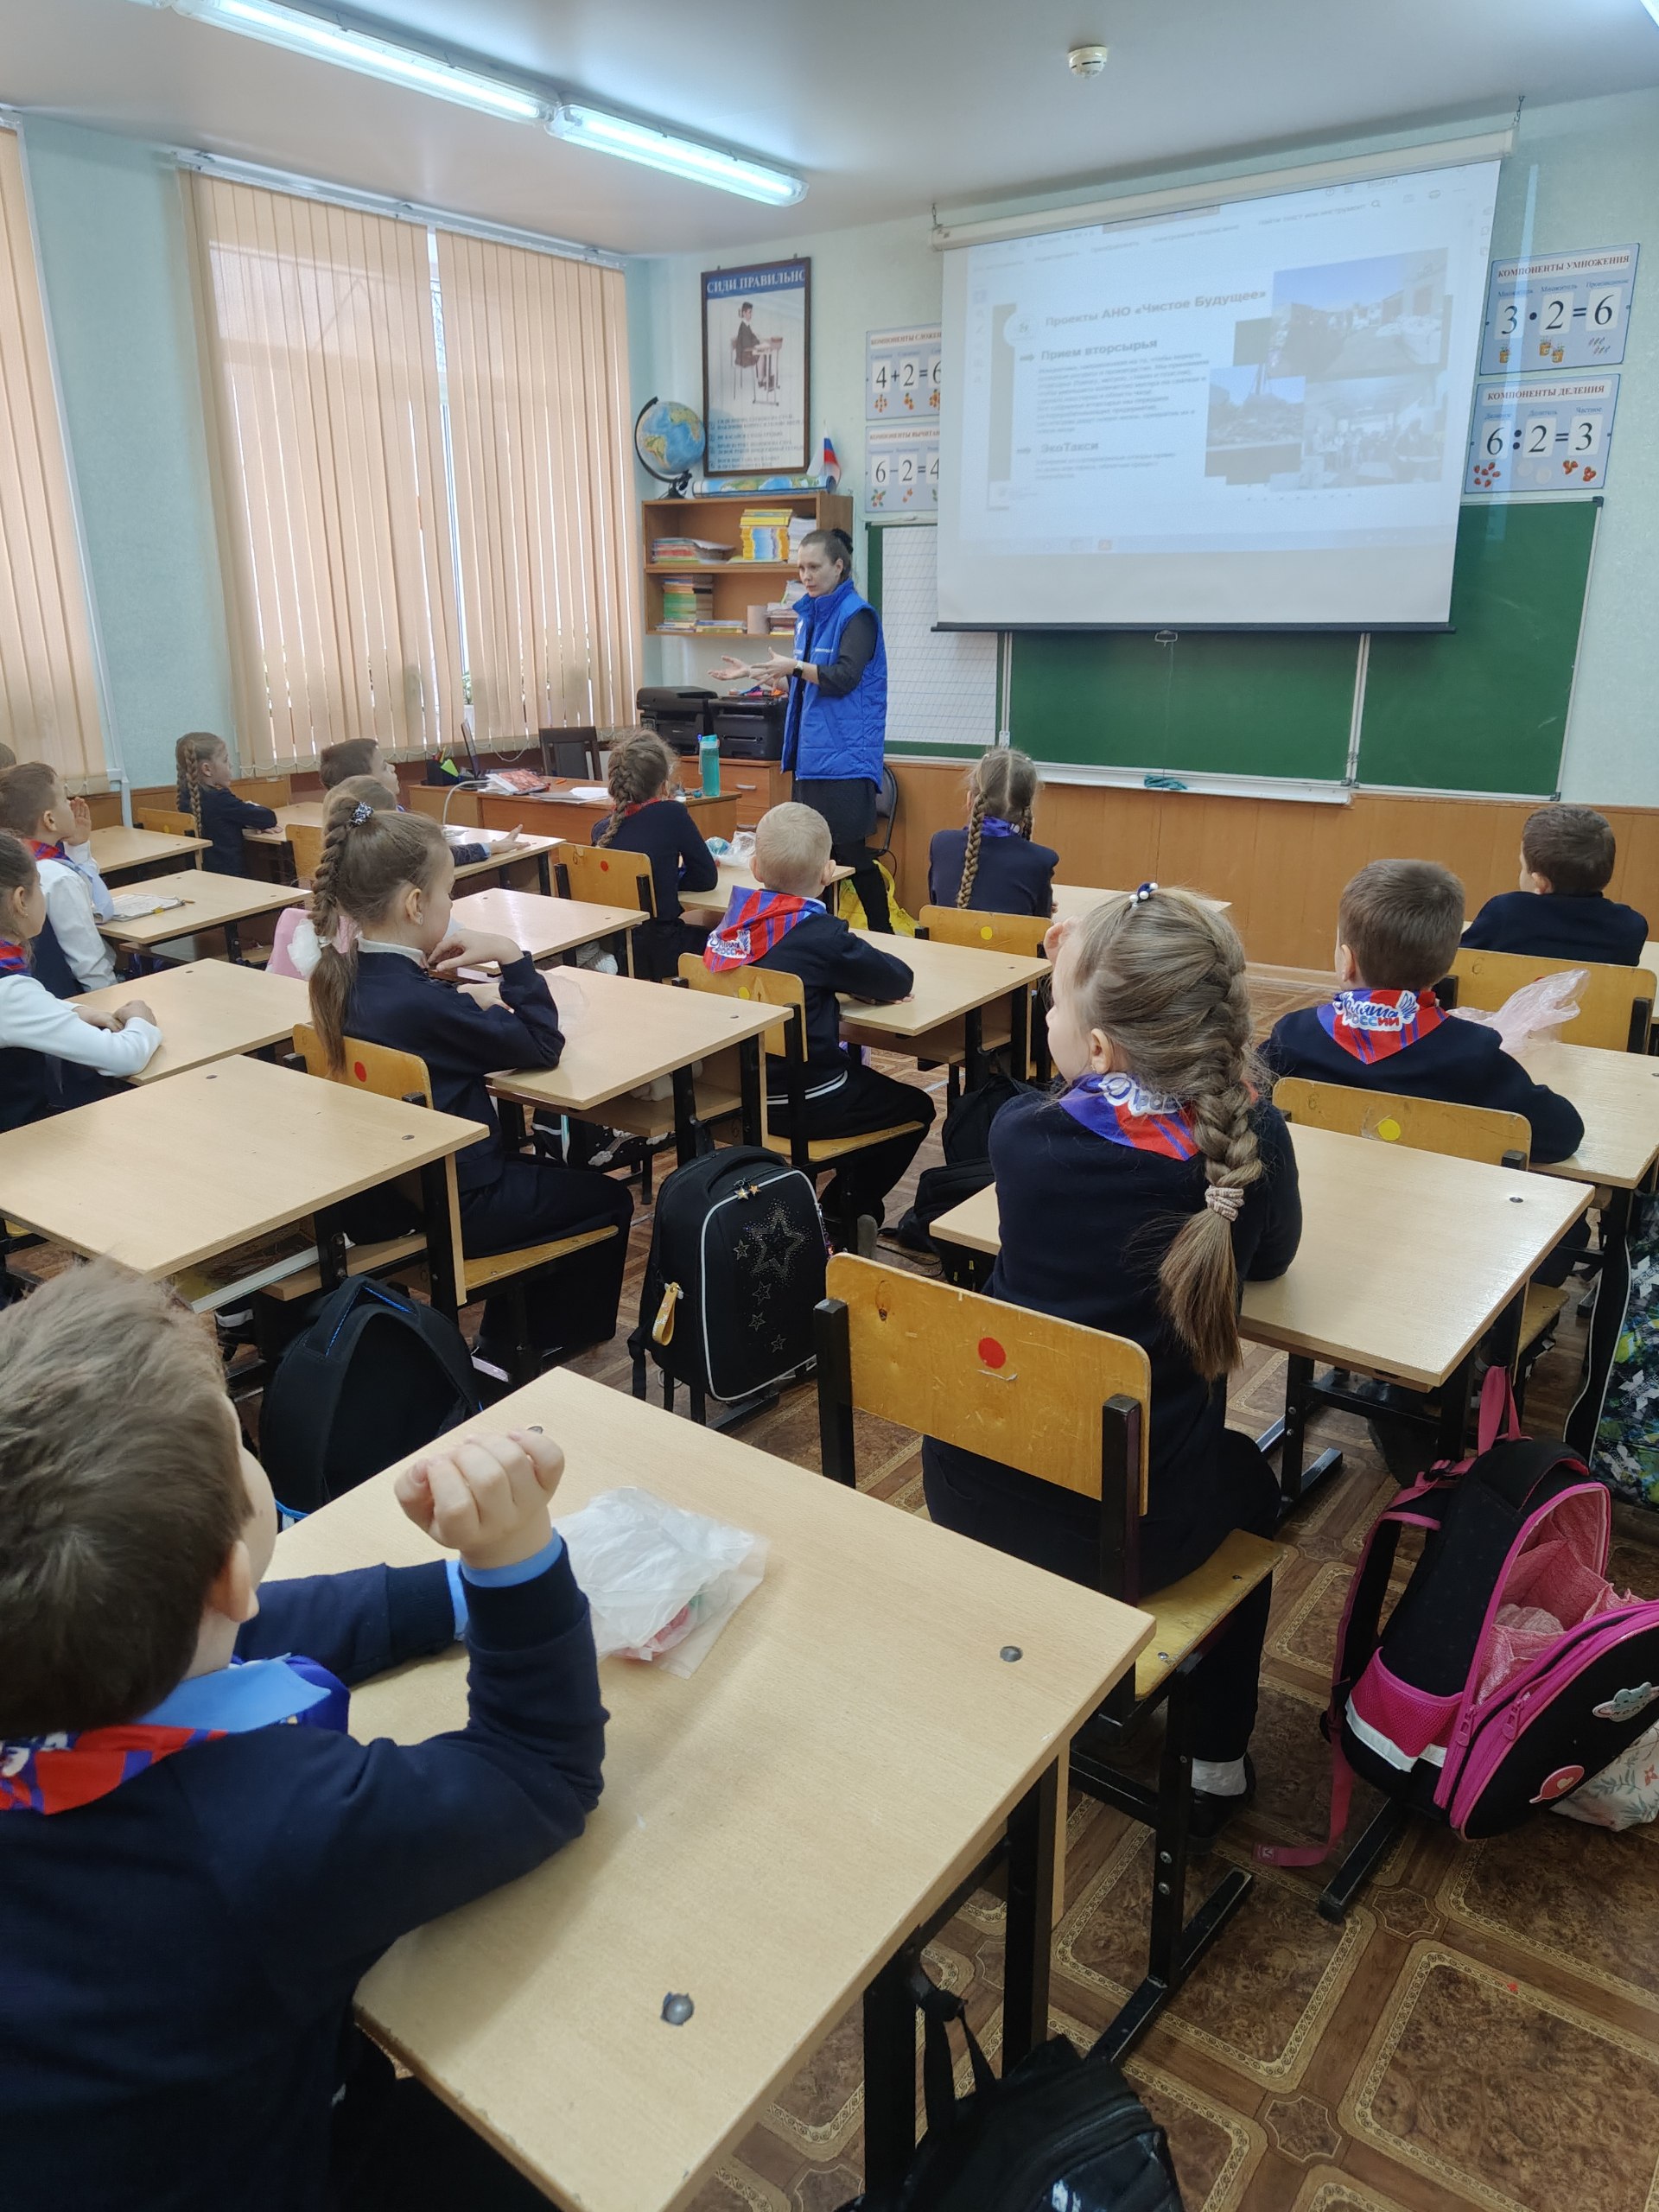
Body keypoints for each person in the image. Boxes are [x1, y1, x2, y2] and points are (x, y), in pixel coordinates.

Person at [0, 1261, 604, 2211]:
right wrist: (514, 1561)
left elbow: (235, 1629)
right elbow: (541, 1769)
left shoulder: (47, 1655)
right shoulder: (260, 1835)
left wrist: (448, 1595)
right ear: (226, 1574)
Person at [922, 886, 1300, 1834]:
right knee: (1253, 1485)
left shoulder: (1020, 1136)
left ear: (1096, 1048)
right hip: (1138, 1529)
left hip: (973, 1486)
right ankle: (1214, 1760)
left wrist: (1081, 969)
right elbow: (1275, 1256)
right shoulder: (1244, 1148)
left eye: (1054, 1003)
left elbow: (1085, 1112)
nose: (1047, 1015)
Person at [308, 802, 632, 1371]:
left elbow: (435, 1028)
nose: (451, 906)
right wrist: (510, 956)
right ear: (415, 904)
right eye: (448, 894)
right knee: (610, 1198)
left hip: (399, 1194)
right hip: (463, 1203)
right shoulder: (419, 1002)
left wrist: (456, 997)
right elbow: (542, 1044)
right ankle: (525, 1347)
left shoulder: (342, 978)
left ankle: (507, 1339)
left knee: (554, 1178)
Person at [704, 801, 932, 1240]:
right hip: (807, 1103)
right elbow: (897, 979)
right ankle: (839, 1215)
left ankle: (829, 1211)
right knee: (916, 1108)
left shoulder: (727, 928)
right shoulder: (822, 936)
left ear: (755, 868)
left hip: (738, 1096)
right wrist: (845, 981)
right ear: (829, 873)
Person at [1262, 858, 1584, 1164]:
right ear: (1445, 967)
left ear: (1347, 962)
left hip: (1316, 1194)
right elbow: (1562, 1135)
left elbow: (1242, 1102)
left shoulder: (1295, 1037)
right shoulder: (1474, 1053)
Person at [710, 528, 893, 931]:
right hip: (811, 758)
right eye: (800, 568)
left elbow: (843, 677)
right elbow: (804, 683)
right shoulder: (809, 617)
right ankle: (816, 932)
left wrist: (792, 666)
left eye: (814, 567)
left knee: (850, 856)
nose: (806, 576)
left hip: (845, 762)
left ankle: (885, 934)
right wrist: (756, 672)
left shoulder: (858, 616)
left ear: (838, 566)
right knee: (811, 858)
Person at [0, 832, 159, 1125]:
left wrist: (75, 1010)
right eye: (39, 885)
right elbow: (125, 1057)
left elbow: (19, 1009)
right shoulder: (9, 991)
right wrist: (141, 1021)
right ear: (21, 900)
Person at [590, 730, 718, 980]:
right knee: (722, 932)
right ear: (663, 783)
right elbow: (706, 879)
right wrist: (671, 878)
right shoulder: (672, 814)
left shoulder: (600, 831)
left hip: (617, 952)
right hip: (663, 952)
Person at [1463, 804, 1649, 968]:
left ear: (1540, 882)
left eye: (1522, 866)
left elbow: (1457, 964)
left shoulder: (1506, 912)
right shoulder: (1630, 926)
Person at [318, 734, 524, 871]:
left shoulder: (348, 824)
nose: (393, 768)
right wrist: (490, 847)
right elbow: (433, 856)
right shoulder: (381, 834)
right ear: (363, 782)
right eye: (384, 767)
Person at [0, 760, 117, 991]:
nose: (71, 805)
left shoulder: (13, 864)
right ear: (50, 820)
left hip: (33, 990)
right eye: (64, 800)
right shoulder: (59, 877)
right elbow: (89, 961)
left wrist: (77, 847)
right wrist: (112, 994)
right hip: (70, 995)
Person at [928, 748, 1057, 915]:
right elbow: (1041, 923)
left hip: (946, 934)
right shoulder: (1041, 861)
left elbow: (937, 903)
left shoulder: (941, 844)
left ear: (970, 800)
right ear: (1027, 810)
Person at [176, 732, 277, 876]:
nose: (230, 764)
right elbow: (268, 817)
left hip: (204, 876)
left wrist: (247, 821)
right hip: (232, 877)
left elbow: (221, 821)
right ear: (207, 769)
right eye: (225, 760)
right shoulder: (220, 799)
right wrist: (253, 813)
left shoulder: (186, 797)